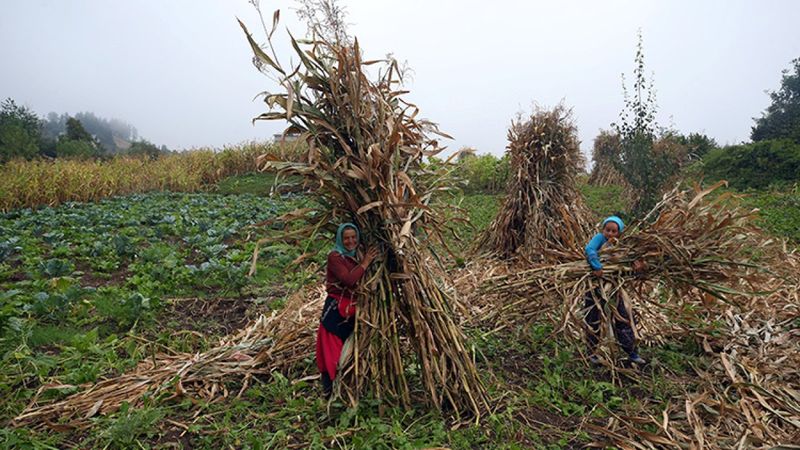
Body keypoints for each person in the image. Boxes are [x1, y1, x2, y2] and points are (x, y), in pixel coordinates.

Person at [316, 223, 378, 396]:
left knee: (350, 351)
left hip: (352, 311)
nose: (350, 241)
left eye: (353, 237)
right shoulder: (335, 256)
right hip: (336, 311)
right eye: (346, 238)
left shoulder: (355, 256)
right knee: (332, 353)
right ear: (340, 240)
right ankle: (330, 392)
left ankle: (349, 390)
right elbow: (349, 280)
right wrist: (366, 262)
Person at [584, 215, 646, 365]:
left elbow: (628, 265)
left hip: (614, 287)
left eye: (614, 231)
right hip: (595, 287)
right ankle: (591, 353)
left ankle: (631, 352)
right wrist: (597, 266)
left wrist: (638, 268)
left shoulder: (622, 246)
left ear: (619, 233)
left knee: (623, 317)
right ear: (603, 230)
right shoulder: (600, 239)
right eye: (607, 230)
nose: (610, 234)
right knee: (593, 319)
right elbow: (589, 249)